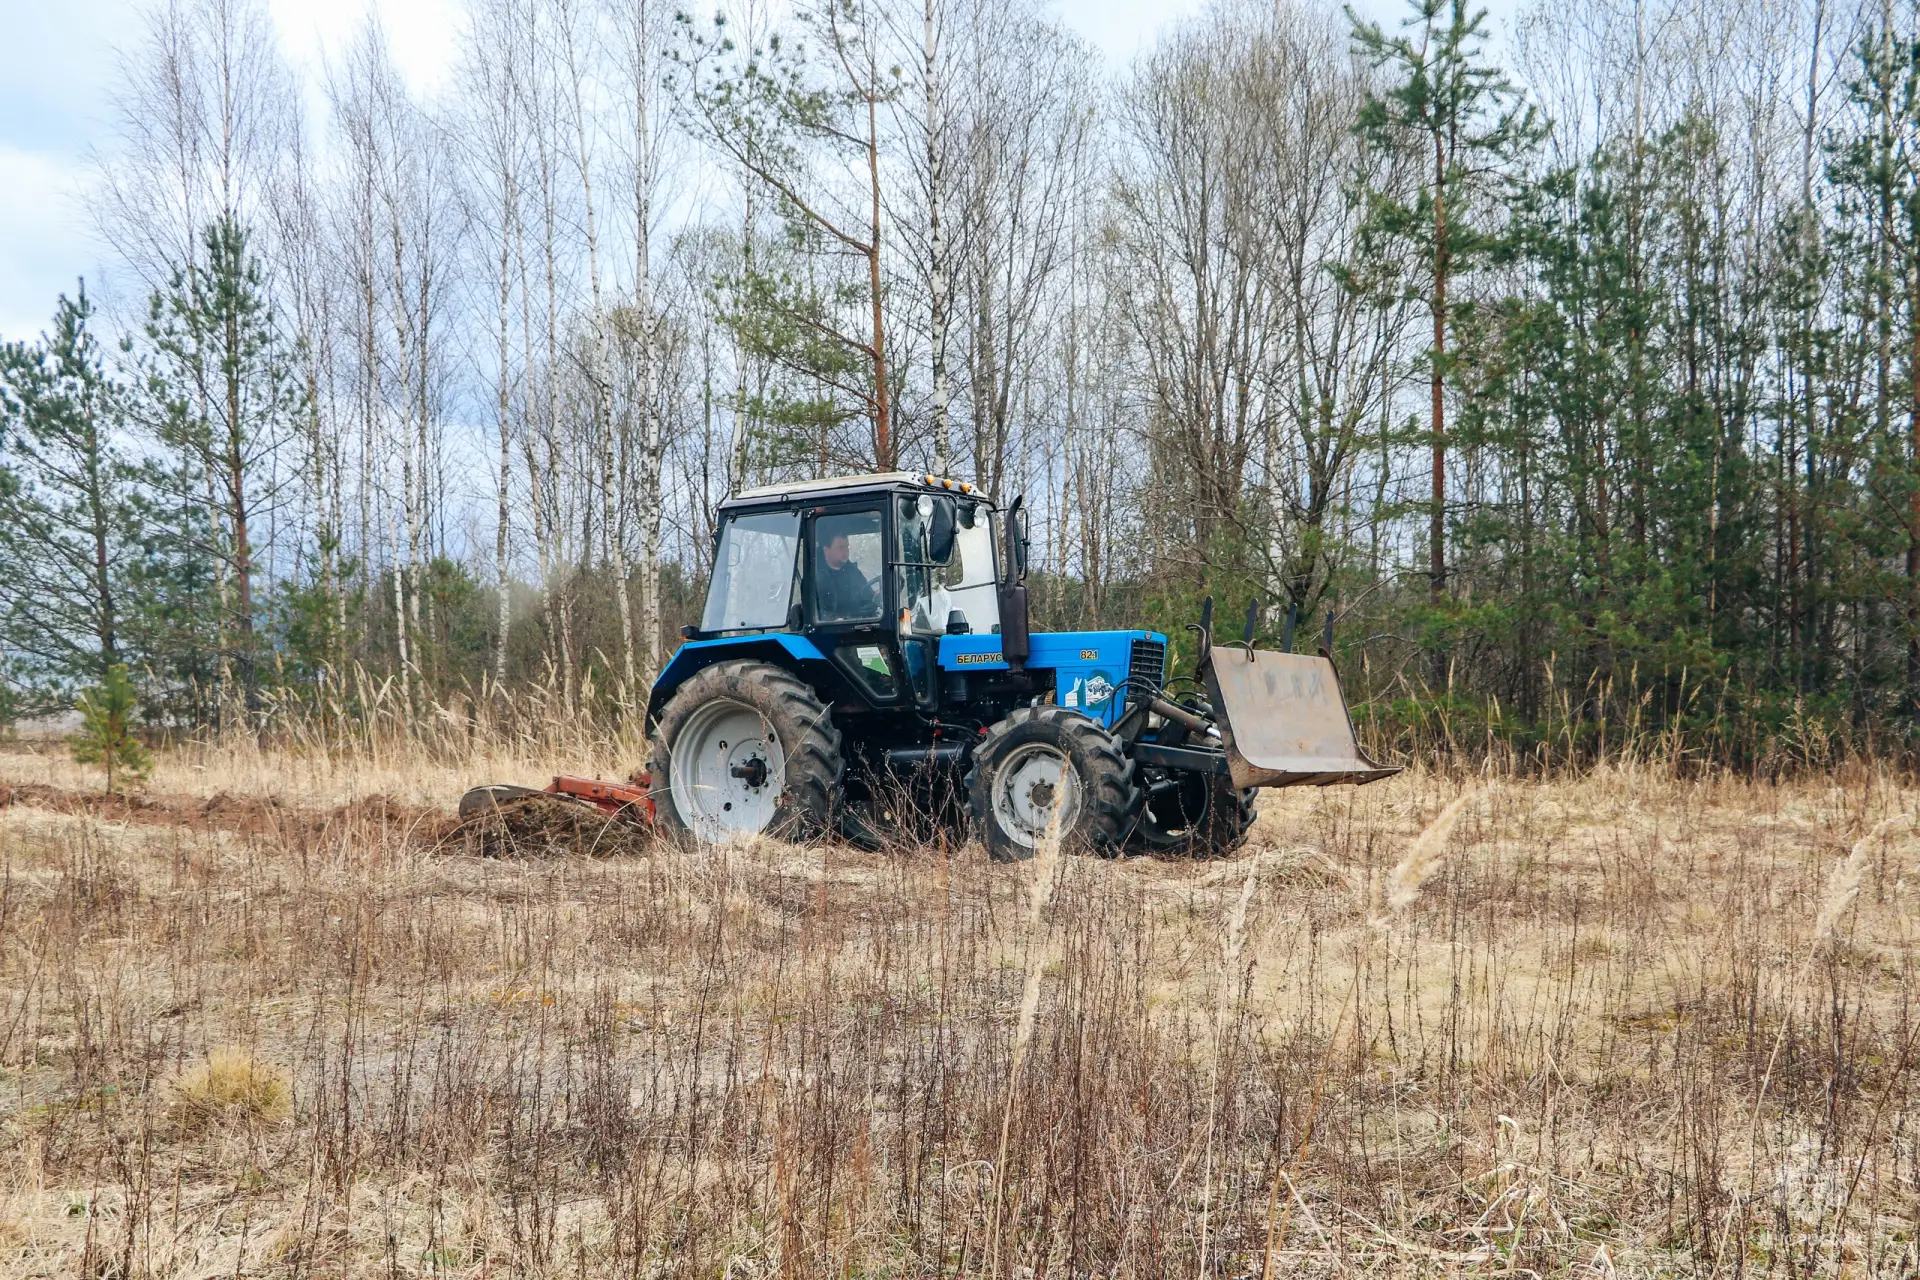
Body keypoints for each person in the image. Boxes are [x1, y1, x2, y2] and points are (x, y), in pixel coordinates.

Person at [815, 529, 876, 621]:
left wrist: (876, 597)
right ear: (826, 551)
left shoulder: (854, 573)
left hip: (859, 625)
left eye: (847, 547)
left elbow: (867, 594)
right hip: (833, 630)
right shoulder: (817, 579)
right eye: (840, 547)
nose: (846, 551)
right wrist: (833, 620)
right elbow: (816, 612)